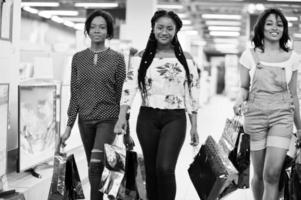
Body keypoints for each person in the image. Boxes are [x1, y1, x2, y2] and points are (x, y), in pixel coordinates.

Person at [114, 9, 200, 200]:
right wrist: (122, 117)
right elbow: (129, 88)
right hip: (147, 118)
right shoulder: (140, 57)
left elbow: (192, 92)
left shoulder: (186, 58)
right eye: (160, 27)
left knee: (165, 168)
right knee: (152, 171)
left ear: (176, 31)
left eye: (169, 28)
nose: (164, 32)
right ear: (153, 28)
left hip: (175, 119)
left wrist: (194, 125)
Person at [60, 9, 133, 200]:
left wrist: (127, 130)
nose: (97, 30)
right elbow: (75, 94)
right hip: (84, 121)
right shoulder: (78, 58)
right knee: (95, 169)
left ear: (108, 31)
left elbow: (123, 97)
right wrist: (68, 127)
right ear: (87, 30)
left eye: (102, 27)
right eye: (92, 27)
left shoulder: (117, 59)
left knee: (95, 165)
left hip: (108, 120)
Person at [233, 8, 301, 200]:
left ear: (284, 30)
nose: (275, 28)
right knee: (260, 174)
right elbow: (244, 88)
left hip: (282, 117)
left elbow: (294, 95)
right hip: (255, 116)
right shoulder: (249, 56)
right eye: (269, 23)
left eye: (279, 24)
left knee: (272, 173)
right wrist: (239, 100)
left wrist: (300, 127)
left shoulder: (293, 58)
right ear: (261, 27)